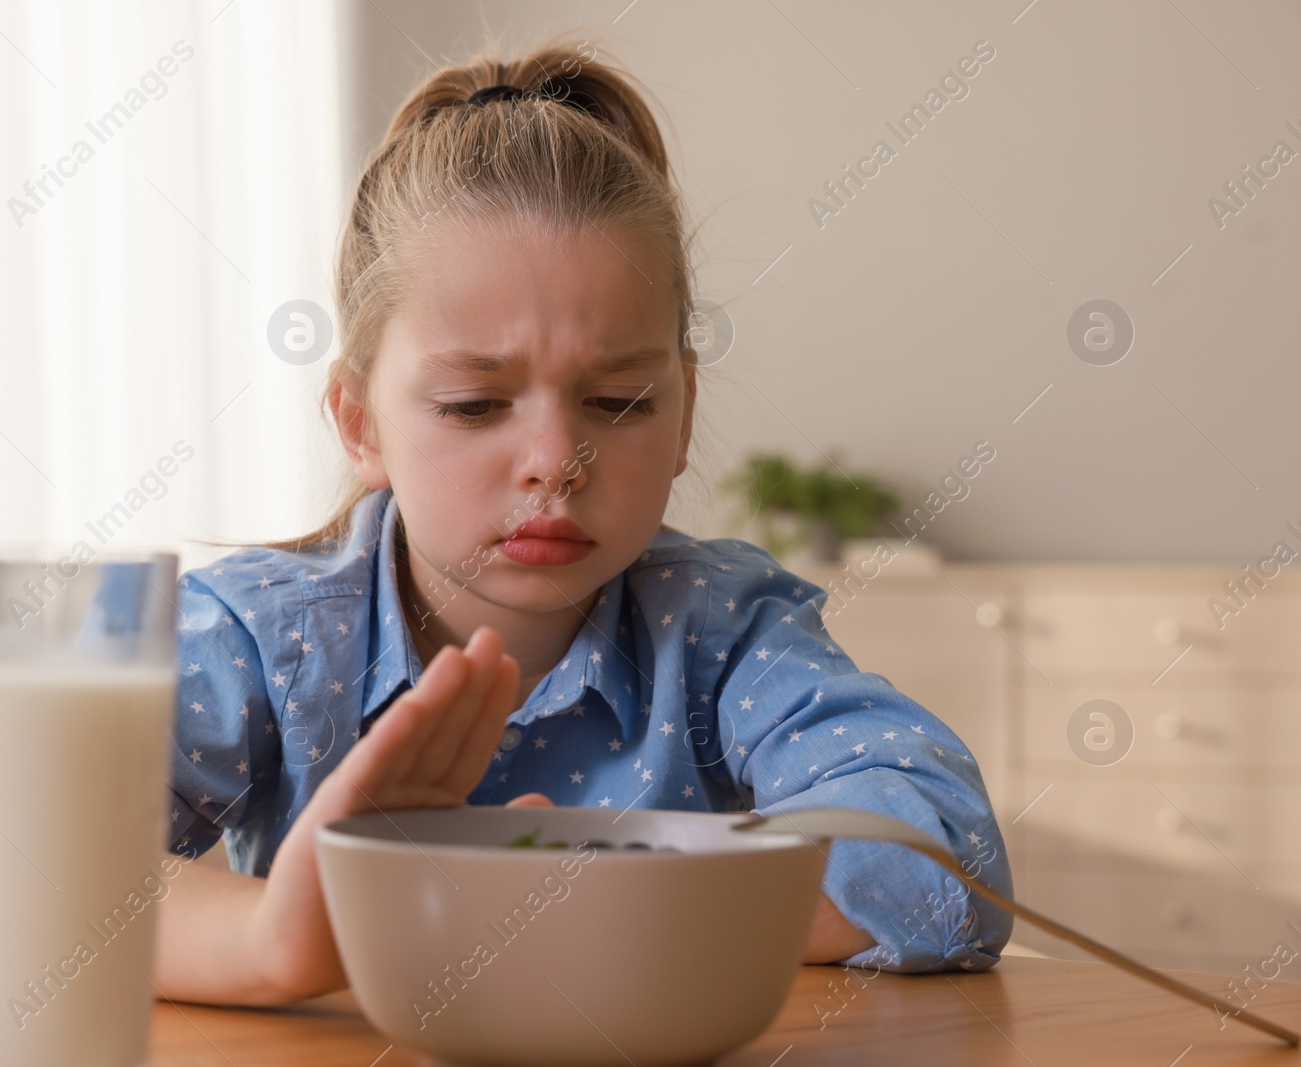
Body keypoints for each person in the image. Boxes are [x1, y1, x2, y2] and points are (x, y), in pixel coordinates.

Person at [153, 35, 1012, 1006]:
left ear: (683, 411)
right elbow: (39, 863)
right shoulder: (261, 635)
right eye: (475, 406)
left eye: (617, 399)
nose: (556, 461)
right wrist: (273, 940)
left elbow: (945, 846)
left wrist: (602, 901)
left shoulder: (723, 627)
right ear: (359, 420)